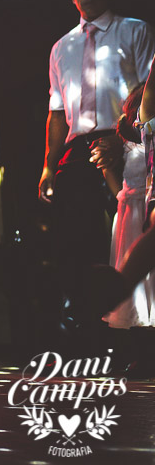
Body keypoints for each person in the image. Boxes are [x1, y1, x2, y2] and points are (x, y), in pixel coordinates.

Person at [39, 0, 154, 324]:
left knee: (126, 231)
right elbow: (57, 111)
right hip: (79, 146)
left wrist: (126, 136)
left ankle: (135, 328)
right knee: (78, 239)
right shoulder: (61, 47)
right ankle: (88, 326)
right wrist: (49, 164)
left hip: (127, 139)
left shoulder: (134, 30)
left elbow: (149, 92)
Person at [89, 85, 154, 328]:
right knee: (136, 277)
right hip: (131, 210)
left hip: (148, 205)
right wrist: (123, 199)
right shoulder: (125, 142)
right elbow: (113, 174)